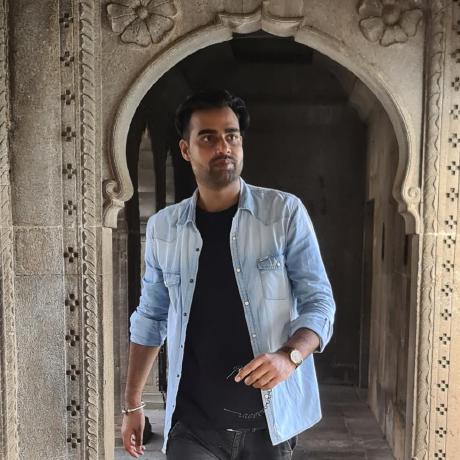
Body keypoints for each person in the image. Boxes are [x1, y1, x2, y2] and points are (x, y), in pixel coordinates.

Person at [121, 89, 335, 459]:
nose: (224, 147)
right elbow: (151, 318)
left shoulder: (284, 213)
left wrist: (290, 356)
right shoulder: (163, 228)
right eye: (208, 138)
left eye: (231, 136)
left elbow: (319, 302)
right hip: (193, 426)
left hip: (269, 425)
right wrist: (132, 404)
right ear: (185, 149)